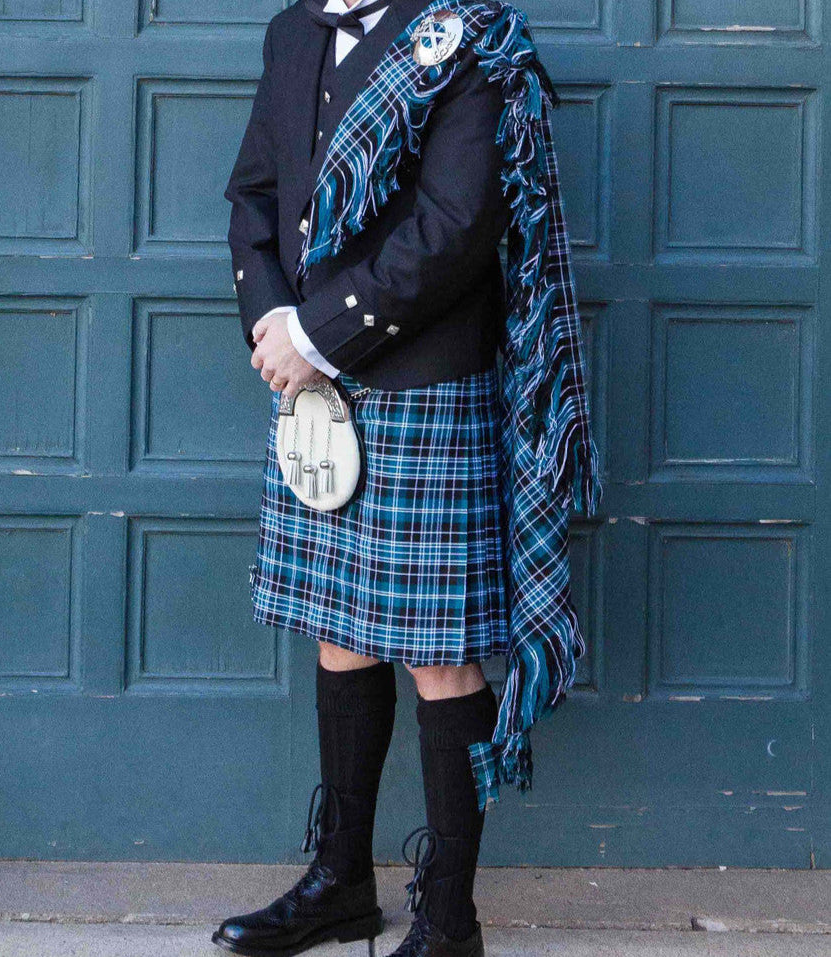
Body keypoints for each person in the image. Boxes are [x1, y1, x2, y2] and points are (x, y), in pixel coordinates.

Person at [214, 2, 600, 956]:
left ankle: (446, 918)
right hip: (313, 386)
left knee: (438, 652)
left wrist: (317, 334)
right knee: (338, 630)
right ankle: (341, 881)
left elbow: (457, 224)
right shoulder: (292, 30)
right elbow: (253, 196)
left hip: (422, 379)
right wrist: (271, 322)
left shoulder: (463, 41)